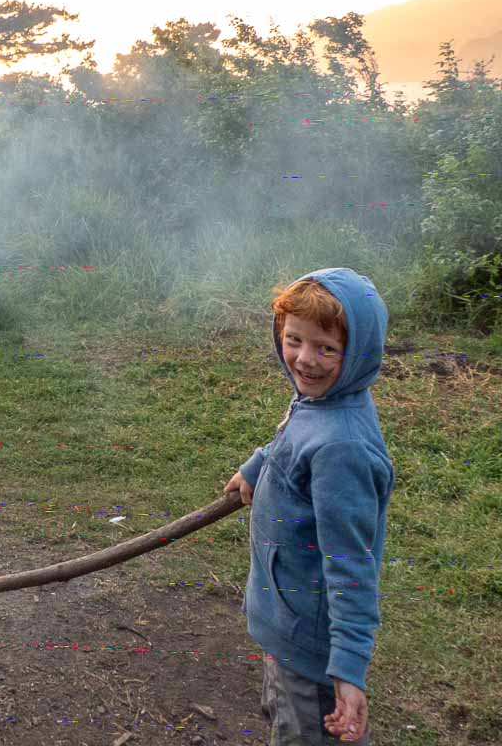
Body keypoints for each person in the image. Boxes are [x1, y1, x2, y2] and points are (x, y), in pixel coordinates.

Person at [223, 268, 394, 744]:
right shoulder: (323, 402)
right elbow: (295, 434)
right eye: (293, 339)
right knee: (284, 719)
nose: (304, 359)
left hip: (313, 653)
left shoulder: (344, 449)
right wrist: (258, 466)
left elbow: (350, 567)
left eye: (327, 349)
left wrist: (348, 670)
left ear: (357, 354)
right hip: (288, 622)